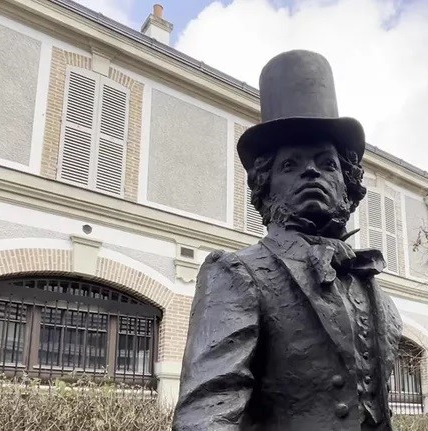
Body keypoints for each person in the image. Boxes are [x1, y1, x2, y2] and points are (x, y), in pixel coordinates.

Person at [172, 50, 402, 431]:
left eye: (327, 163)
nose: (311, 172)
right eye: (290, 165)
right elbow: (205, 415)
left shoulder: (379, 297)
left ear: (348, 185)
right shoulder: (236, 274)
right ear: (266, 187)